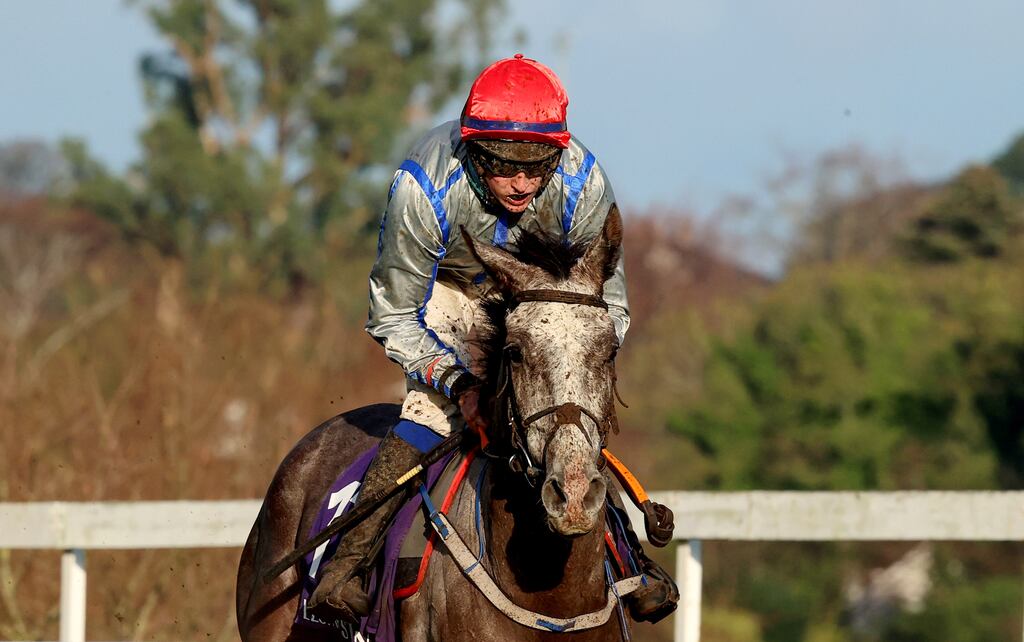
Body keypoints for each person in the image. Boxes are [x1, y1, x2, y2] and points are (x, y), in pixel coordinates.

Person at [309, 53, 677, 624]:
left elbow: (613, 305)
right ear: (474, 151)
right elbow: (393, 314)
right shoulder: (424, 185)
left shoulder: (582, 183)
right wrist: (458, 383)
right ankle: (344, 567)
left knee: (565, 411)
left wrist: (575, 359)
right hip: (448, 294)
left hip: (549, 300)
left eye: (537, 168)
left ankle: (629, 556)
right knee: (434, 414)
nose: (523, 183)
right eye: (505, 167)